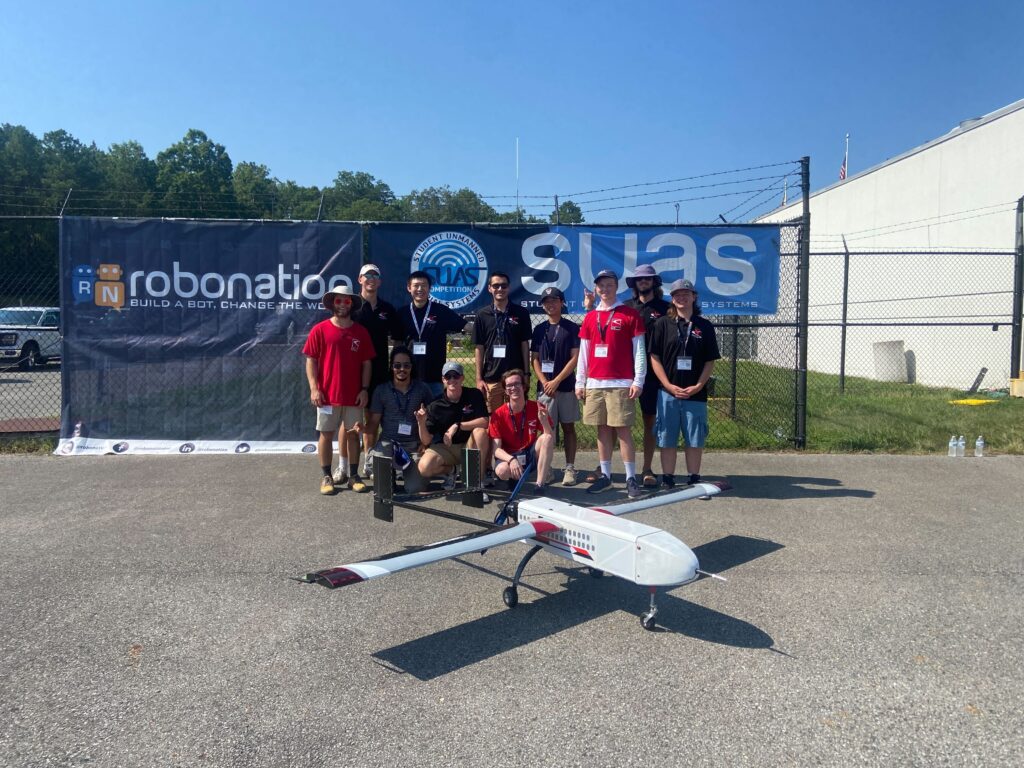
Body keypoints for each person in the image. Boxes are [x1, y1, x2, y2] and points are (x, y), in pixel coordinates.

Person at [575, 269, 647, 499]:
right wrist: (580, 382)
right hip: (594, 384)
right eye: (601, 286)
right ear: (596, 289)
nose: (604, 290)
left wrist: (638, 380)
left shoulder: (629, 314)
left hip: (621, 382)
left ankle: (630, 478)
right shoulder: (589, 317)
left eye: (609, 285)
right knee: (602, 430)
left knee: (623, 430)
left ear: (616, 287)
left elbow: (640, 351)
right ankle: (605, 475)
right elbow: (584, 353)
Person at [648, 279, 721, 495]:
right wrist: (667, 385)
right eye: (677, 294)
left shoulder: (704, 326)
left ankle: (694, 479)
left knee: (695, 437)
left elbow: (710, 361)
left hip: (695, 394)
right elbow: (655, 357)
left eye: (686, 294)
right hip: (667, 393)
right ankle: (668, 479)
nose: (682, 298)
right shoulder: (662, 324)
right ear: (672, 299)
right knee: (667, 436)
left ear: (694, 296)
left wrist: (699, 385)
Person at [302, 285, 374, 495]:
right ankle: (326, 476)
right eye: (339, 300)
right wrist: (314, 388)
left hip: (354, 396)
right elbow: (311, 361)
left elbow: (367, 364)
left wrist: (364, 389)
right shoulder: (319, 329)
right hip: (326, 397)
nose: (343, 304)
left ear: (352, 304)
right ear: (333, 303)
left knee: (353, 435)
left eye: (347, 301)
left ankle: (353, 476)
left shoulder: (360, 332)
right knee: (325, 435)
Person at [472, 271, 531, 481]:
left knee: (515, 423)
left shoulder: (521, 313)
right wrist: (479, 378)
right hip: (491, 380)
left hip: (514, 380)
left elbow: (525, 345)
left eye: (503, 285)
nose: (500, 289)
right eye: (495, 286)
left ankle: (517, 463)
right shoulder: (482, 315)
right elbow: (479, 348)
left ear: (508, 288)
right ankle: (489, 467)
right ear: (489, 288)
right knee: (493, 426)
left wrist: (526, 373)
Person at [350, 263, 406, 478]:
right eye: (367, 275)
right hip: (355, 374)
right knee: (356, 422)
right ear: (360, 279)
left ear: (380, 281)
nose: (371, 279)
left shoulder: (387, 309)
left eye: (375, 275)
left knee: (378, 418)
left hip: (381, 373)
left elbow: (398, 338)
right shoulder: (353, 308)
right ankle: (350, 464)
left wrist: (397, 365)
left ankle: (373, 462)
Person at [624, 264, 671, 488]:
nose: (643, 282)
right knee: (617, 423)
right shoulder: (624, 307)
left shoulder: (666, 308)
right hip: (624, 374)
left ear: (654, 282)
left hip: (653, 375)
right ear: (634, 283)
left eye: (647, 279)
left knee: (649, 421)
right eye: (639, 279)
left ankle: (647, 468)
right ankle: (607, 468)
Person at [529, 286, 581, 485]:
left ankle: (569, 468)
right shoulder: (539, 329)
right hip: (545, 390)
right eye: (546, 302)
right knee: (546, 432)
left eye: (554, 300)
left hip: (565, 386)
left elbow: (575, 357)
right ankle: (546, 468)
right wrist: (544, 382)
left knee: (568, 428)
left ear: (562, 302)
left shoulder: (571, 327)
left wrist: (557, 380)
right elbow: (534, 359)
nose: (550, 304)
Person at [365, 346, 434, 493]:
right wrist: (362, 430)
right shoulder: (381, 390)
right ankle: (384, 472)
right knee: (384, 487)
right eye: (397, 365)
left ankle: (407, 474)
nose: (402, 369)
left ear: (411, 367)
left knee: (415, 488)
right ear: (391, 367)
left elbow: (432, 421)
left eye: (406, 365)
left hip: (413, 445)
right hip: (388, 444)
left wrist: (425, 444)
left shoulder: (422, 389)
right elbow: (373, 423)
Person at [415, 361, 490, 493]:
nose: (452, 380)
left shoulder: (474, 394)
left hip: (469, 445)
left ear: (462, 378)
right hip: (447, 448)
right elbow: (426, 441)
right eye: (448, 377)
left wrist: (458, 425)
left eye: (456, 376)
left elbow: (485, 421)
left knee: (480, 432)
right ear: (443, 379)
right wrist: (421, 423)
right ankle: (452, 471)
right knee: (424, 467)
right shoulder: (435, 405)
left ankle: (478, 482)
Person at [400, 270, 468, 397]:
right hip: (409, 376)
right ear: (409, 288)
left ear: (430, 288)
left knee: (435, 413)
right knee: (411, 414)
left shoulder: (441, 311)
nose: (420, 289)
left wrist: (485, 328)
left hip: (434, 377)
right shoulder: (402, 313)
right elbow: (397, 342)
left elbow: (465, 325)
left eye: (424, 285)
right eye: (416, 285)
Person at [488, 368, 555, 495]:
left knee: (547, 438)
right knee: (502, 471)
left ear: (524, 387)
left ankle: (540, 485)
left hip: (529, 454)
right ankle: (513, 478)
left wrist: (544, 420)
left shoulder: (536, 407)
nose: (513, 388)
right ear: (506, 390)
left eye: (517, 384)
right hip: (510, 456)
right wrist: (511, 460)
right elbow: (495, 449)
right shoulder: (498, 414)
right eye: (509, 385)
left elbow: (550, 438)